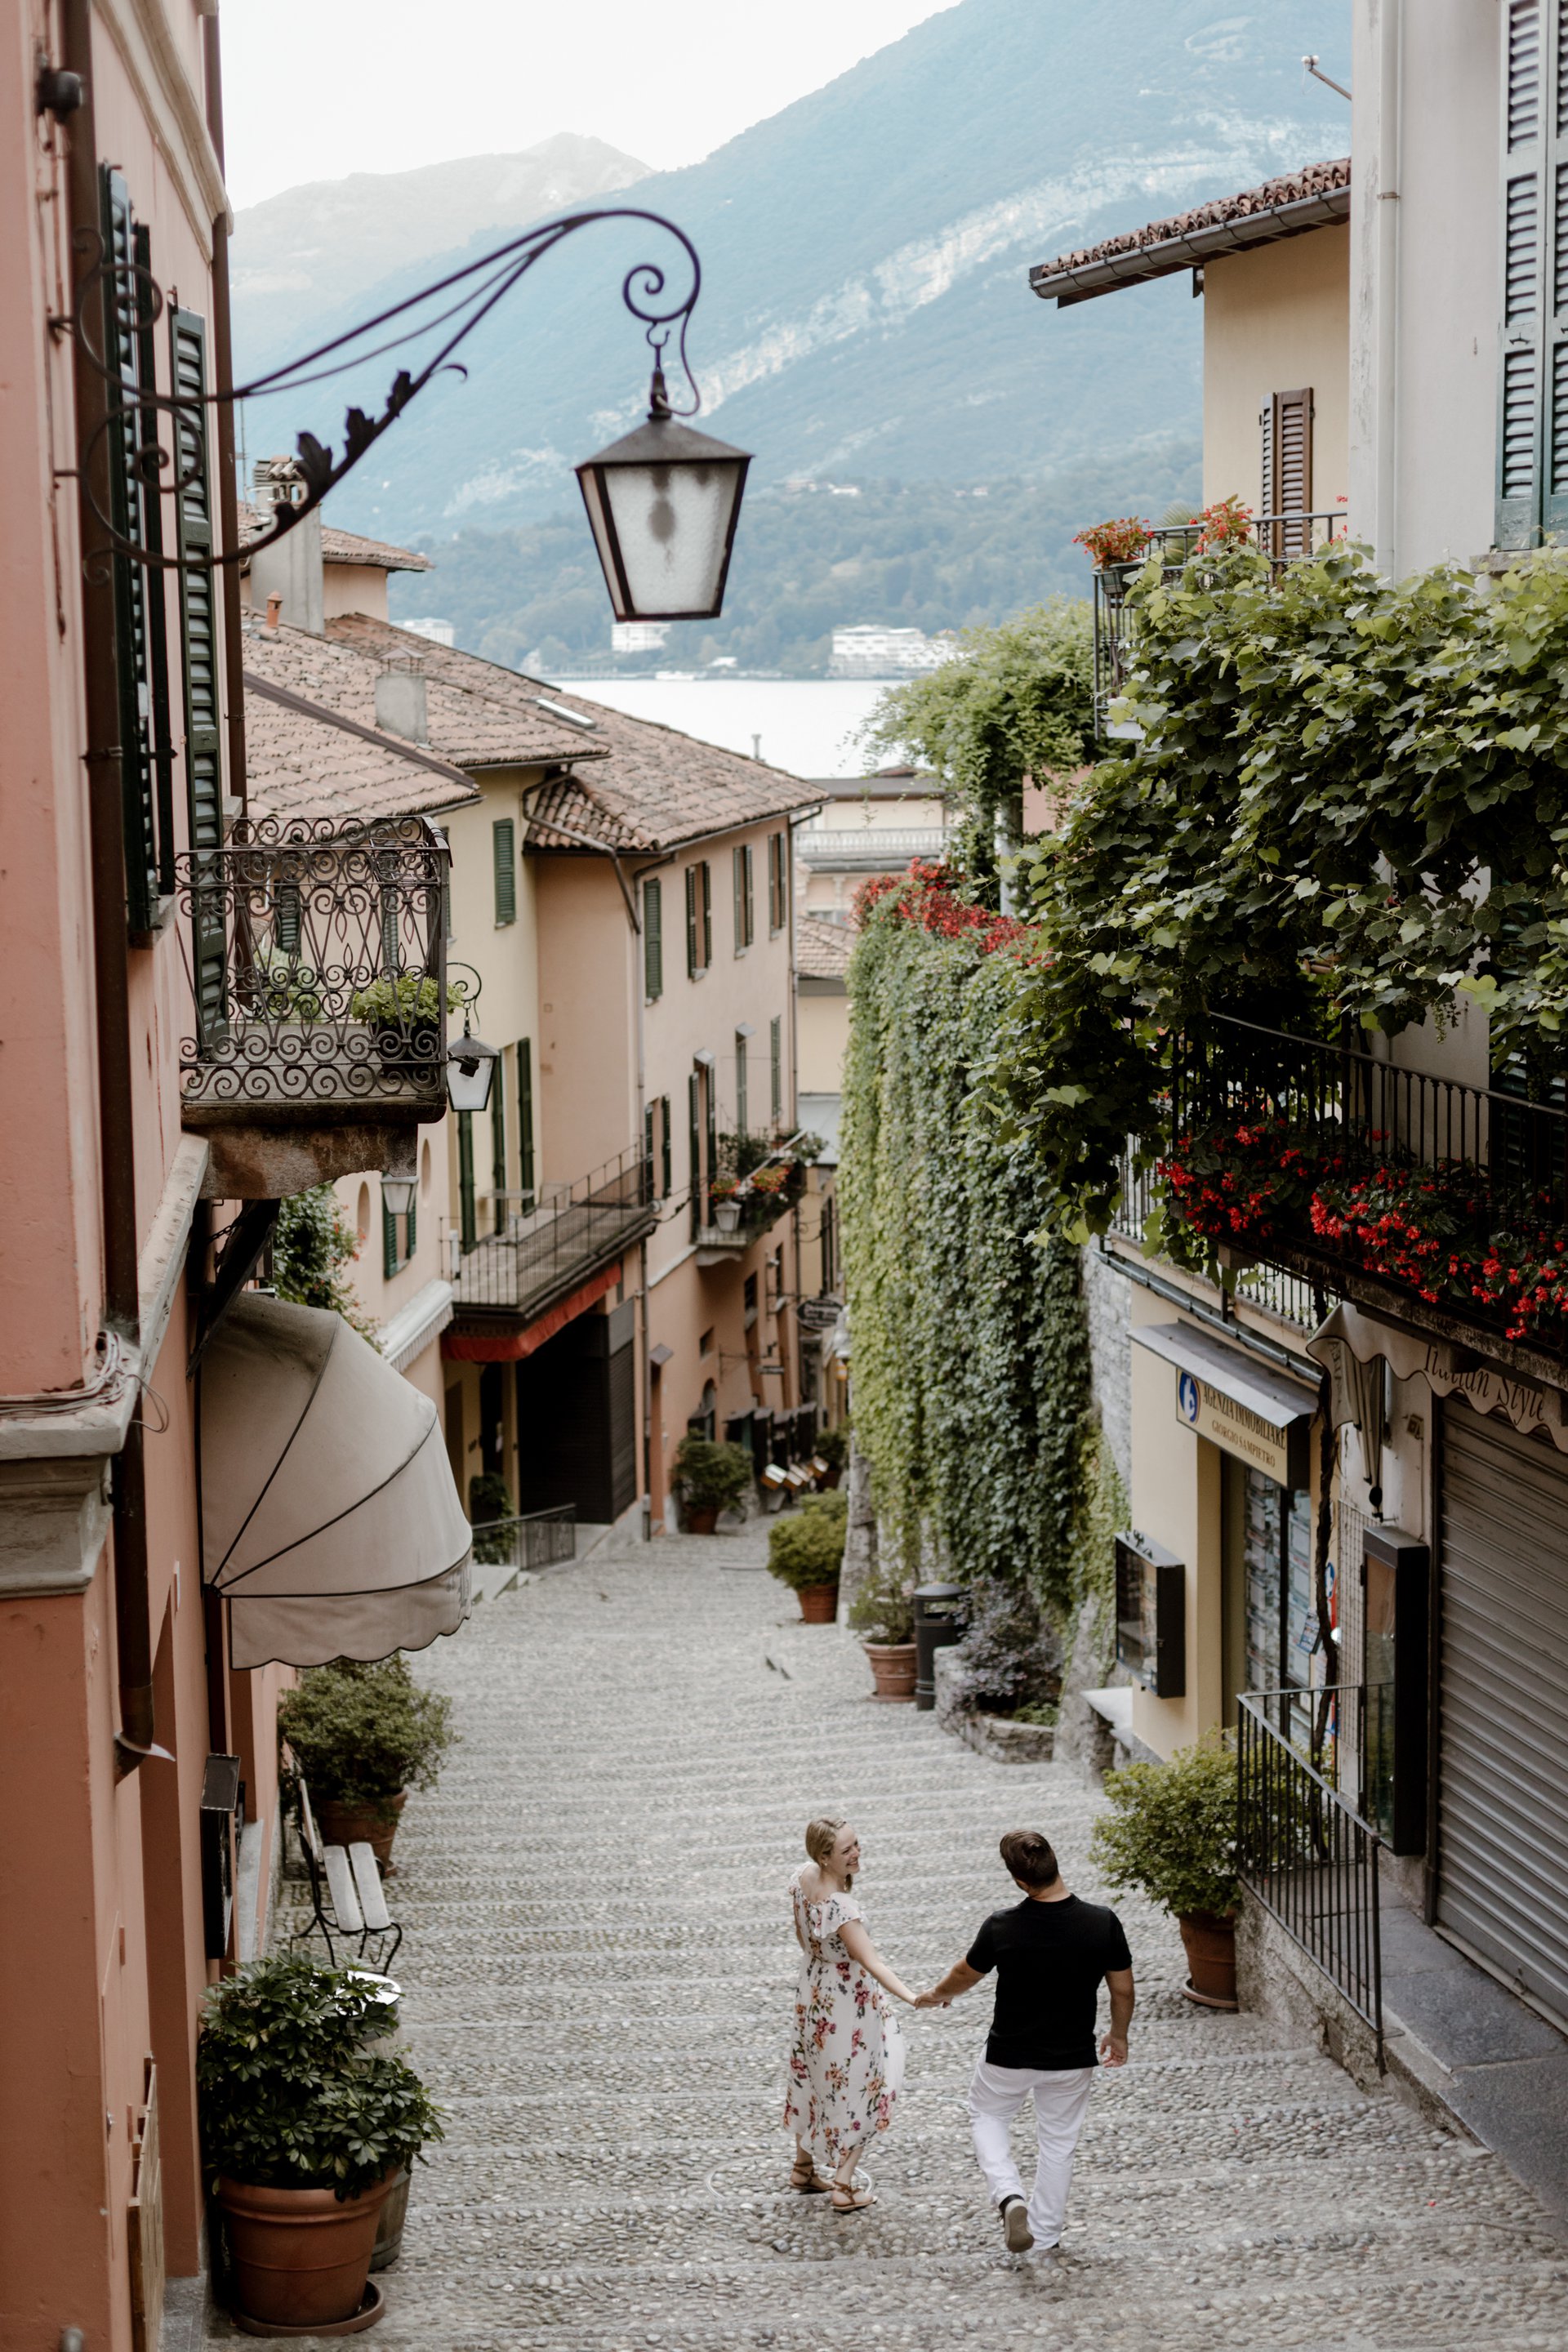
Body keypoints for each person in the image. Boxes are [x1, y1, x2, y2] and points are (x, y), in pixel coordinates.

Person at [917, 1828, 1133, 2255]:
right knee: (1058, 2143)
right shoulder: (1101, 1922)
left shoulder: (1003, 1926)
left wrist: (936, 1995)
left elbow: (966, 1973)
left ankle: (1009, 2196)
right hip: (1072, 2057)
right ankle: (1046, 2234)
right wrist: (1118, 2035)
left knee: (987, 2115)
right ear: (1056, 1861)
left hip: (1008, 2055)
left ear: (1019, 1881)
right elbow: (1122, 1990)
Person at [784, 1814, 915, 2213]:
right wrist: (914, 1997)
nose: (857, 1853)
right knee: (865, 2084)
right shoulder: (841, 1907)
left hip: (813, 1992)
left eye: (857, 1843)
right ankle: (843, 2185)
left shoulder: (801, 1878)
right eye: (847, 1850)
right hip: (848, 2005)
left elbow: (800, 1935)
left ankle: (803, 2168)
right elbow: (871, 1961)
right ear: (826, 1858)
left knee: (812, 2076)